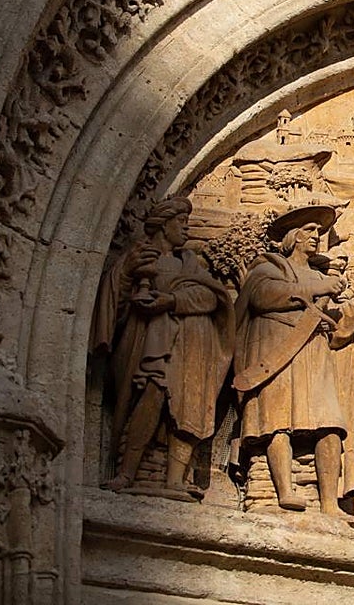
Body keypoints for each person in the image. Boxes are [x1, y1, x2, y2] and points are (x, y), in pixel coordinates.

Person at [232, 204, 354, 515]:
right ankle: (284, 492)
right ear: (293, 236)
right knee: (278, 423)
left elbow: (339, 328)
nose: (318, 236)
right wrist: (318, 286)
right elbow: (263, 296)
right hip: (278, 356)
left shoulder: (320, 278)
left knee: (330, 425)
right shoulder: (268, 267)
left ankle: (330, 503)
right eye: (311, 231)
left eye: (320, 232)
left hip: (315, 357)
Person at [92, 197, 234, 499]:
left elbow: (213, 298)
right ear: (163, 224)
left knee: (186, 410)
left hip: (186, 353)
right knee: (150, 399)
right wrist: (131, 278)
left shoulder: (190, 264)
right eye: (181, 223)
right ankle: (127, 473)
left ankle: (175, 478)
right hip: (149, 347)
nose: (186, 229)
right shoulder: (138, 258)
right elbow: (114, 298)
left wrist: (171, 301)